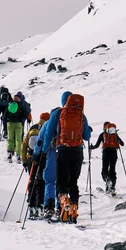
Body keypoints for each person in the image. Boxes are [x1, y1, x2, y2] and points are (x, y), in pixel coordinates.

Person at [37, 92, 92, 223]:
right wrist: (88, 130)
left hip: (62, 150)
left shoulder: (58, 113)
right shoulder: (81, 115)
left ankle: (63, 203)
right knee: (73, 182)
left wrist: (43, 151)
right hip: (78, 152)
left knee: (61, 181)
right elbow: (87, 136)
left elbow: (49, 133)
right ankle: (74, 208)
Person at [23, 113, 50, 219]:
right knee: (40, 181)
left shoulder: (32, 128)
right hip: (42, 158)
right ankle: (39, 205)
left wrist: (24, 160)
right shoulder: (47, 127)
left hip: (31, 158)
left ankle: (31, 204)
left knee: (32, 180)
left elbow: (24, 144)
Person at [90, 122, 125, 196]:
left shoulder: (102, 135)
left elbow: (96, 145)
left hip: (106, 154)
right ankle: (112, 188)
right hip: (114, 154)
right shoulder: (115, 135)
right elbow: (122, 144)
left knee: (104, 171)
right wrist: (117, 141)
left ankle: (108, 182)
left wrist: (91, 147)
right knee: (112, 171)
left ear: (104, 128)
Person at [3, 94, 30, 163]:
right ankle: (18, 154)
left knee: (10, 138)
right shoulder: (21, 105)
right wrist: (21, 120)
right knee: (18, 139)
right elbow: (25, 114)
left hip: (10, 123)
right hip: (18, 124)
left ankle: (10, 153)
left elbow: (5, 115)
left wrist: (5, 124)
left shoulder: (10, 104)